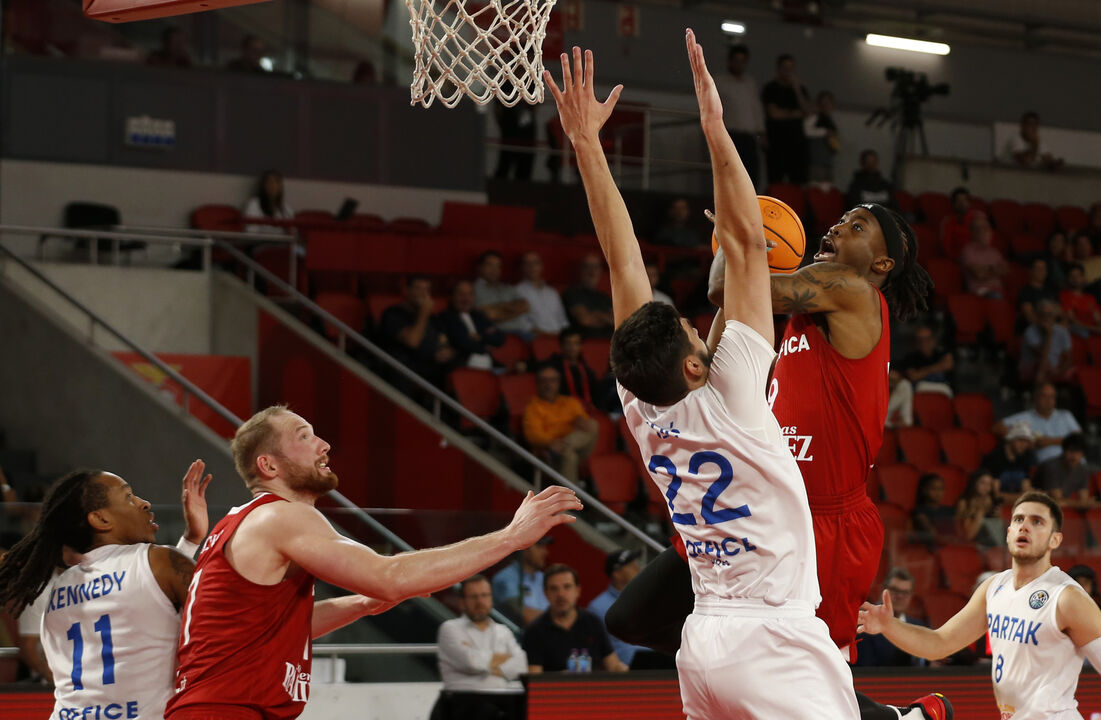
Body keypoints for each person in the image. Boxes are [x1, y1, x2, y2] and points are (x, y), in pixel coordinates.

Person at [545, 37, 937, 719]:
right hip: (765, 603)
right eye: (696, 333)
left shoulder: (640, 403)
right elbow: (731, 263)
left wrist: (585, 146)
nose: (706, 331)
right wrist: (717, 138)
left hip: (744, 595)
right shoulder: (738, 388)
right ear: (695, 363)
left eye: (856, 226)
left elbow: (627, 264)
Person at [166, 406, 581, 718]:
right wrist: (511, 537)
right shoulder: (280, 516)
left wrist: (363, 604)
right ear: (269, 464)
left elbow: (282, 628)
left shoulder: (242, 522)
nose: (324, 445)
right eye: (304, 436)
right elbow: (389, 576)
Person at [858, 491, 1101, 720]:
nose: (1024, 526)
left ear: (1055, 539)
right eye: (1018, 519)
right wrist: (888, 626)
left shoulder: (1067, 598)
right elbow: (939, 643)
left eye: (1037, 522)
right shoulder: (994, 587)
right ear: (1008, 532)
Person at [0, 461, 212, 719]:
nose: (144, 503)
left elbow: (144, 597)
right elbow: (224, 619)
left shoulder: (59, 587)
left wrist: (189, 541)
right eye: (128, 496)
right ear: (100, 519)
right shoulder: (159, 562)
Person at [435, 575, 526, 720]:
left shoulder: (503, 631)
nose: (480, 602)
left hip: (502, 703)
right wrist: (504, 660)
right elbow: (471, 662)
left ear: (491, 599)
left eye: (484, 595)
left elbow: (521, 665)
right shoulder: (450, 628)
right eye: (474, 597)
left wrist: (483, 661)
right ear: (462, 602)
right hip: (461, 705)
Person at [522, 564, 627, 673]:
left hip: (591, 684)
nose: (561, 594)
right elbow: (535, 677)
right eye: (554, 589)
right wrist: (560, 679)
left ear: (578, 590)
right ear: (546, 594)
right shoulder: (534, 631)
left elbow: (613, 665)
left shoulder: (593, 622)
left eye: (567, 587)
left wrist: (627, 671)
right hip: (556, 684)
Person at [522, 365, 599, 484]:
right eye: (544, 381)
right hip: (550, 453)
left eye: (552, 380)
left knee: (593, 425)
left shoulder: (570, 402)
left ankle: (565, 446)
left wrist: (580, 420)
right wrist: (550, 443)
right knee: (570, 456)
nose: (548, 385)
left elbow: (584, 423)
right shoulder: (533, 407)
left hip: (576, 447)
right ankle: (571, 495)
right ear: (538, 384)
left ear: (558, 383)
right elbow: (533, 436)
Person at [379, 274, 456, 390]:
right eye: (418, 289)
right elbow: (412, 341)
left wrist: (449, 352)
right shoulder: (393, 314)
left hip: (432, 367)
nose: (423, 294)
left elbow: (444, 340)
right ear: (407, 290)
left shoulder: (433, 318)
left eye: (426, 290)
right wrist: (424, 312)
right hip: (405, 369)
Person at [713, 44, 765, 190]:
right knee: (730, 174)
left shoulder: (750, 83)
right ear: (730, 61)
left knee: (751, 175)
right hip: (729, 134)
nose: (739, 64)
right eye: (736, 60)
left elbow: (756, 109)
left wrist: (761, 131)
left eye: (743, 61)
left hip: (749, 136)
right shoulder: (720, 82)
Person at [855, 569, 927, 667]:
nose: (900, 596)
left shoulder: (919, 626)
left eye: (905, 592)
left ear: (911, 595)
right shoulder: (864, 626)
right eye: (895, 590)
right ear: (883, 590)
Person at [587, 550, 647, 668]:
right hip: (622, 673)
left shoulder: (647, 599)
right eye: (631, 566)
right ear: (617, 574)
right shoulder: (597, 607)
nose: (637, 568)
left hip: (656, 668)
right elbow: (595, 649)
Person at [996, 382, 1081, 463]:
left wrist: (1049, 441)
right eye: (1044, 396)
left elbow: (1079, 439)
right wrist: (1022, 441)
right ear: (1036, 398)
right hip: (1048, 465)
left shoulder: (1065, 415)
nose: (1048, 400)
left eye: (1052, 396)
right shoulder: (1025, 417)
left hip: (1076, 463)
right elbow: (997, 427)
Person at [761, 53, 811, 185]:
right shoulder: (771, 88)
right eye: (785, 67)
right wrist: (795, 113)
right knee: (776, 180)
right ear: (778, 68)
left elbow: (807, 112)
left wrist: (797, 90)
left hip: (797, 142)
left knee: (798, 181)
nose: (788, 71)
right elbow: (774, 113)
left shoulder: (799, 89)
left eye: (790, 68)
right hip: (777, 141)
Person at [436, 279, 506, 371]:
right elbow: (462, 343)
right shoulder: (446, 317)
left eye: (470, 294)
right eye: (461, 294)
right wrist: (485, 346)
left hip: (489, 364)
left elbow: (500, 337)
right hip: (463, 366)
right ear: (452, 296)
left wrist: (481, 337)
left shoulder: (478, 315)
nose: (466, 299)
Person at [492, 538, 552, 626]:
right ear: (524, 547)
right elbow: (529, 618)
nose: (545, 552)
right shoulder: (505, 578)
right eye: (540, 546)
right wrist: (560, 619)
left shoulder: (544, 578)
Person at [473, 251, 532, 337]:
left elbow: (525, 306)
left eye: (498, 266)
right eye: (489, 265)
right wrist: (514, 308)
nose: (494, 270)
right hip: (497, 336)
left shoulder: (508, 288)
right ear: (480, 267)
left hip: (522, 333)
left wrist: (499, 308)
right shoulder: (474, 289)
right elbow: (490, 315)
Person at [1016, 301, 1074, 386]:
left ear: (1054, 317)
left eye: (1049, 315)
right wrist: (1049, 335)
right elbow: (1042, 357)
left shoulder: (1062, 331)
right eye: (1042, 314)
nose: (1046, 318)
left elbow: (1068, 357)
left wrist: (1061, 371)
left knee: (1073, 372)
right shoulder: (1030, 331)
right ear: (1037, 316)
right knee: (1044, 367)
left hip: (1053, 369)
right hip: (1033, 368)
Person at [1033, 433, 1096, 508]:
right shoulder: (1052, 466)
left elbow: (1083, 498)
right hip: (1038, 505)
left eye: (1077, 452)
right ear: (1064, 451)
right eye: (1070, 451)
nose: (1073, 455)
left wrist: (1086, 503)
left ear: (1083, 454)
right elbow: (1057, 500)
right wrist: (1080, 504)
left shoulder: (1083, 470)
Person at [514, 251, 569, 336]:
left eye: (535, 263)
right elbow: (522, 322)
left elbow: (562, 320)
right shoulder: (517, 291)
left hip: (559, 337)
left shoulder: (552, 292)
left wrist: (565, 335)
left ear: (541, 266)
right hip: (538, 338)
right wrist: (545, 335)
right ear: (522, 267)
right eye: (528, 263)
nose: (532, 267)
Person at [561, 254, 615, 337]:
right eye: (587, 266)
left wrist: (596, 315)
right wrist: (604, 317)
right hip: (585, 340)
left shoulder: (604, 297)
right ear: (581, 270)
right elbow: (585, 320)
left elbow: (615, 321)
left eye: (595, 267)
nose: (591, 271)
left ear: (600, 271)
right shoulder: (573, 293)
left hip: (608, 340)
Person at [983, 423, 1038, 502]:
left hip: (1017, 502)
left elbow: (1026, 488)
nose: (1024, 445)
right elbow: (996, 495)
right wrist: (1023, 497)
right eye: (1020, 440)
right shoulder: (994, 459)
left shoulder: (1026, 457)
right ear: (1010, 439)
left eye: (1026, 441)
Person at [899, 323, 955, 397]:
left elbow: (948, 365)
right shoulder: (911, 357)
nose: (923, 343)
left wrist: (922, 372)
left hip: (943, 386)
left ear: (933, 340)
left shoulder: (942, 353)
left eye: (927, 339)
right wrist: (938, 367)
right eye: (920, 340)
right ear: (915, 342)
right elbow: (913, 376)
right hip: (921, 387)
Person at [960, 212, 1007, 298]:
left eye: (986, 228)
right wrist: (996, 269)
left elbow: (1006, 270)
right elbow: (979, 274)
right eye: (979, 229)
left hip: (999, 291)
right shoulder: (968, 251)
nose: (985, 232)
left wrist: (986, 269)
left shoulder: (994, 251)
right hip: (980, 294)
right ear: (973, 232)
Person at [954, 469, 1002, 546]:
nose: (986, 487)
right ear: (974, 483)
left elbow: (1000, 532)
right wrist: (980, 514)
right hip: (971, 543)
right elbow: (965, 533)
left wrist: (998, 516)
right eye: (983, 483)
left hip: (992, 543)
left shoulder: (992, 503)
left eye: (989, 484)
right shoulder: (964, 503)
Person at [804, 90, 840, 184]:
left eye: (828, 103)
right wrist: (825, 132)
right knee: (815, 188)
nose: (826, 106)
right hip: (815, 162)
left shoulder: (830, 120)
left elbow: (833, 142)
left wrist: (834, 144)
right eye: (823, 103)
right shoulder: (815, 117)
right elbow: (806, 131)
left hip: (827, 161)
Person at [243, 169, 293, 235]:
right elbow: (251, 233)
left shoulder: (286, 209)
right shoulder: (254, 204)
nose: (274, 186)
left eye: (277, 182)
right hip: (260, 241)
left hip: (280, 241)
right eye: (270, 182)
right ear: (263, 186)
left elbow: (292, 235)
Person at [911, 473, 955, 547]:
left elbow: (959, 533)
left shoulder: (950, 510)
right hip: (933, 548)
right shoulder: (919, 511)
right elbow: (932, 532)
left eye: (941, 489)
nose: (938, 493)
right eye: (934, 489)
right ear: (924, 490)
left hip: (952, 547)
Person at [1016, 258, 1059, 333]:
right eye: (1038, 268)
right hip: (1036, 328)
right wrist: (1045, 325)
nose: (1041, 271)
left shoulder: (1051, 290)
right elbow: (1029, 316)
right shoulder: (1025, 291)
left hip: (1053, 326)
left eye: (1043, 269)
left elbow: (1059, 310)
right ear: (1031, 271)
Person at [1060, 263, 1101, 337]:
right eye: (1072, 276)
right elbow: (1071, 319)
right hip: (1078, 334)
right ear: (1068, 278)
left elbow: (1098, 318)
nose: (1075, 279)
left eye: (1078, 276)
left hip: (1095, 334)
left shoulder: (1090, 298)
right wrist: (1094, 329)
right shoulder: (1064, 295)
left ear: (1083, 277)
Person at [939, 187, 975, 261]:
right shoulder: (948, 221)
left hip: (976, 257)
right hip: (958, 258)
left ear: (969, 203)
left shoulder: (975, 219)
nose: (962, 204)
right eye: (959, 201)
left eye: (964, 200)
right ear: (953, 203)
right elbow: (946, 247)